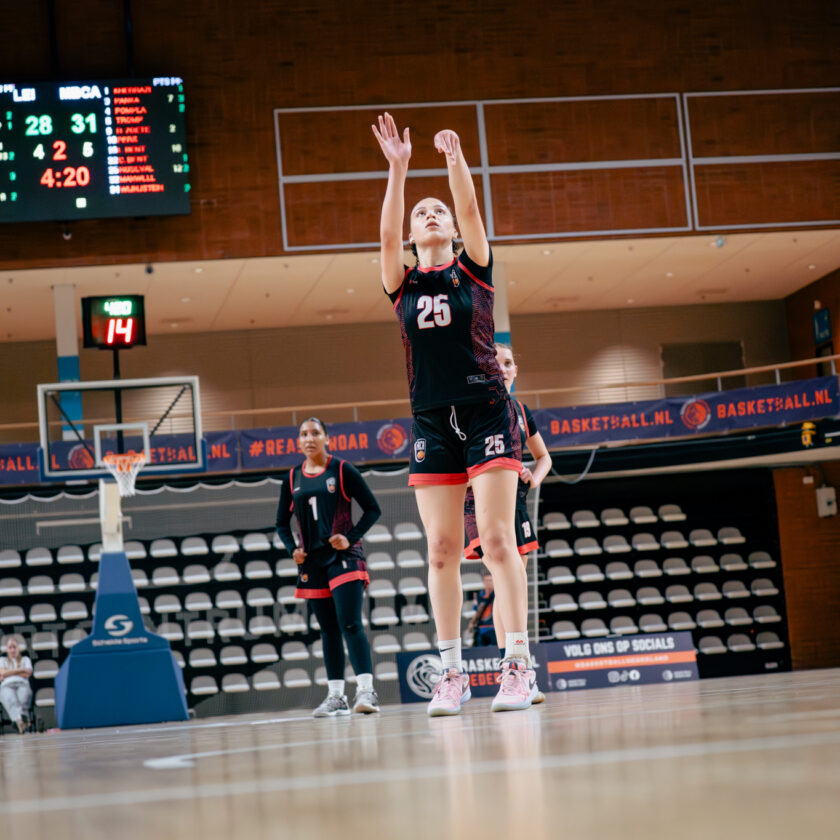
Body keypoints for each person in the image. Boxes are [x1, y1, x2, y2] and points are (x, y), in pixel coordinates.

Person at [372, 112, 536, 715]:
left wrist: (454, 159)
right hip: (432, 421)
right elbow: (386, 238)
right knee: (441, 549)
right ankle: (451, 674)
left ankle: (518, 667)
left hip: (487, 412)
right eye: (421, 213)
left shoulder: (473, 268)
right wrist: (398, 170)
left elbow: (469, 209)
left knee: (495, 540)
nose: (431, 215)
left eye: (437, 210)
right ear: (413, 234)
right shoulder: (402, 282)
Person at [275, 418, 382, 717]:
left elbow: (373, 509)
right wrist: (292, 549)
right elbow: (281, 522)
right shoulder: (292, 477)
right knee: (328, 630)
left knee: (350, 623)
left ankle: (366, 691)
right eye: (303, 434)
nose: (309, 438)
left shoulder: (342, 469)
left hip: (344, 557)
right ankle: (336, 697)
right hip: (312, 562)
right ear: (298, 442)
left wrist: (350, 537)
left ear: (326, 439)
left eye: (315, 433)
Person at [464, 342, 553, 701]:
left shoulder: (520, 410)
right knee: (504, 582)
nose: (502, 368)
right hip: (479, 503)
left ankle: (519, 671)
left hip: (515, 502)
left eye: (508, 363)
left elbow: (544, 457)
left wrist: (534, 476)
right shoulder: (471, 408)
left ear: (516, 370)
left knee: (515, 584)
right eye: (495, 362)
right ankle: (513, 668)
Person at [0, 635, 33, 734]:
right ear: (7, 649)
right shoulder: (2, 660)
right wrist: (21, 670)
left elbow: (28, 674)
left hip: (22, 684)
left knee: (22, 700)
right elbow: (2, 672)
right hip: (7, 686)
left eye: (14, 647)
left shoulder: (25, 659)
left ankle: (18, 722)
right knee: (11, 700)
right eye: (10, 648)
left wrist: (8, 673)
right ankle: (23, 720)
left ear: (18, 648)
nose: (12, 650)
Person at [465, 569, 496, 648]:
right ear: (483, 581)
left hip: (494, 628)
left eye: (490, 580)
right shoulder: (478, 596)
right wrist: (472, 622)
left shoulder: (497, 594)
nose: (488, 582)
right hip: (481, 628)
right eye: (486, 580)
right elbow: (477, 611)